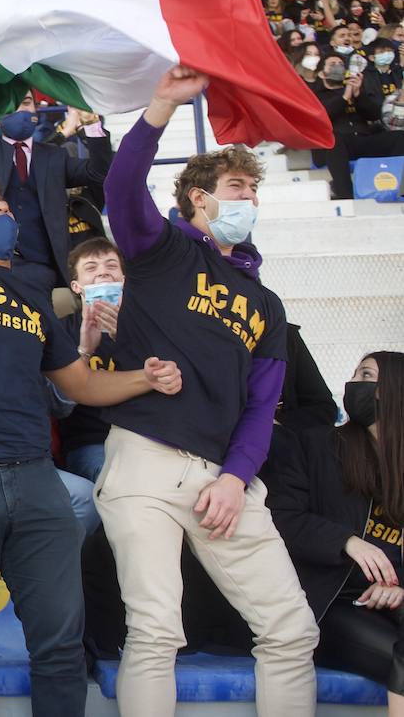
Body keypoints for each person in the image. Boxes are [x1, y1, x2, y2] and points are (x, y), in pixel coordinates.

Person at [0, 99, 184, 717]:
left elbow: (80, 384)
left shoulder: (32, 294)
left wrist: (145, 378)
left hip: (35, 484)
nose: (2, 211)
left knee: (59, 652)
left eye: (5, 206)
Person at [97, 65, 319, 716]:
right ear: (199, 198)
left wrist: (234, 478)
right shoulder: (159, 247)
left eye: (255, 189)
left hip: (225, 480)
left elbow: (262, 405)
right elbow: (120, 184)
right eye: (235, 187)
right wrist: (162, 104)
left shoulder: (266, 304)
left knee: (292, 631)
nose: (248, 198)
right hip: (146, 461)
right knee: (157, 633)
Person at [265, 351, 404, 713]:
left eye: (368, 375)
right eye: (357, 372)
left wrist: (397, 586)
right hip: (333, 601)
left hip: (392, 597)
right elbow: (282, 518)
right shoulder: (316, 445)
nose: (356, 382)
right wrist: (346, 541)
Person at [0, 91, 112, 292]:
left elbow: (98, 173)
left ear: (36, 110)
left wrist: (91, 123)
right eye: (11, 104)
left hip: (45, 273)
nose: (19, 110)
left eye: (25, 103)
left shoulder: (54, 156)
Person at [56, 237, 125, 482]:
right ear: (76, 286)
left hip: (143, 439)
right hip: (91, 442)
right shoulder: (61, 331)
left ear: (123, 279)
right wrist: (84, 349)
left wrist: (123, 335)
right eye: (91, 268)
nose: (103, 273)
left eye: (111, 266)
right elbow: (58, 401)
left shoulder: (148, 328)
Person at [310, 51, 404, 199]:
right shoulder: (314, 96)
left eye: (341, 64)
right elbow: (323, 117)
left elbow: (373, 115)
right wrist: (345, 97)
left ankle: (399, 189)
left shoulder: (354, 91)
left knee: (400, 137)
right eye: (333, 65)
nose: (338, 67)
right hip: (334, 147)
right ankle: (345, 195)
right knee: (334, 140)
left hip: (362, 141)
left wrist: (359, 94)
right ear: (321, 73)